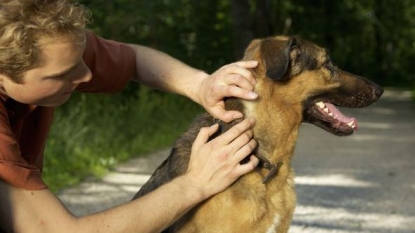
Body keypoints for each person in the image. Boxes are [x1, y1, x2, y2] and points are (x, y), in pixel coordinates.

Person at [0, 0, 260, 232]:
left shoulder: (50, 45)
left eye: (81, 58)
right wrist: (195, 184)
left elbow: (134, 58)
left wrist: (201, 85)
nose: (86, 75)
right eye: (60, 75)